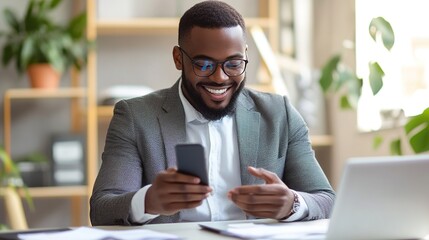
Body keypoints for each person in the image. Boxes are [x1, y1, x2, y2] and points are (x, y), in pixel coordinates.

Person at [90, 0, 335, 226]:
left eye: (234, 64)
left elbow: (326, 200)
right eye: (204, 65)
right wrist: (147, 201)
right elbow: (101, 209)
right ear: (178, 59)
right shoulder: (135, 117)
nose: (220, 77)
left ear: (246, 55)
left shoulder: (279, 113)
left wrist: (291, 204)